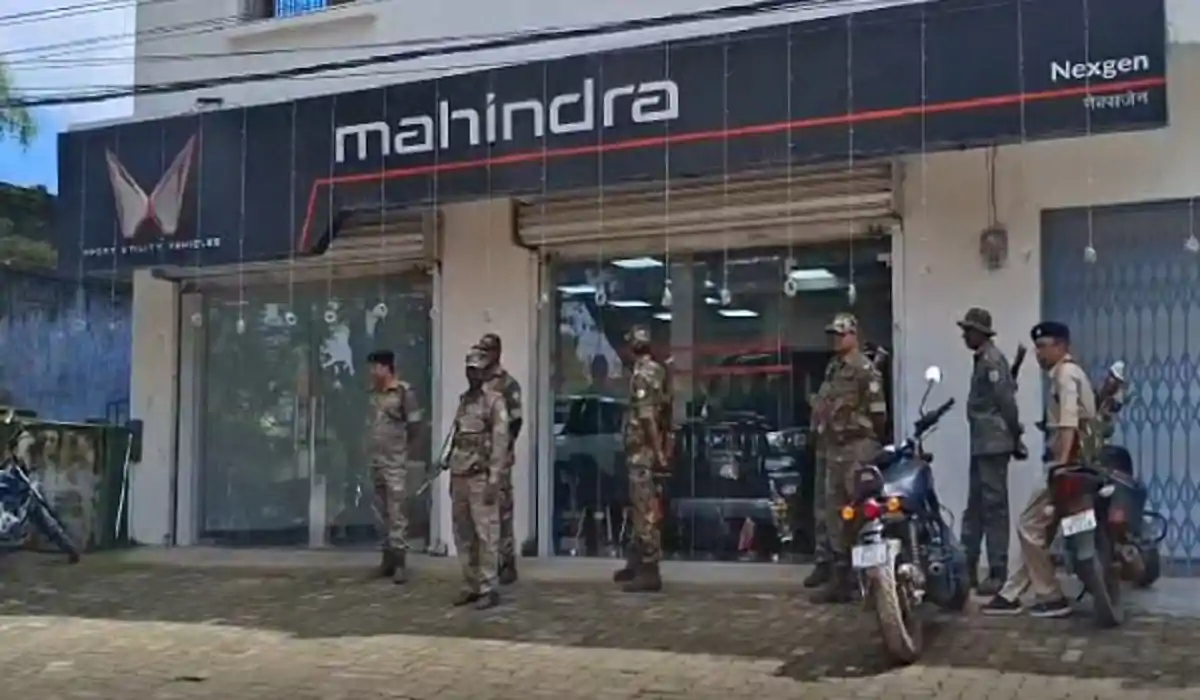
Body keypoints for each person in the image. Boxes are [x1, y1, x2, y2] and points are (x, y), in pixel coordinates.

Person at [982, 321, 1096, 618]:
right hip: (1078, 463)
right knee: (1038, 530)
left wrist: (1062, 465)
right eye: (1037, 348)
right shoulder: (1070, 373)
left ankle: (1051, 595)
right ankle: (1010, 594)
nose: (1039, 354)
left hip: (1066, 464)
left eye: (1044, 347)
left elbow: (1069, 423)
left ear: (1061, 346)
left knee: (1028, 526)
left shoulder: (1065, 375)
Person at [809, 313, 888, 604]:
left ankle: (869, 578)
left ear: (853, 336)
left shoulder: (865, 370)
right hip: (835, 449)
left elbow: (879, 414)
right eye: (833, 335)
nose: (835, 340)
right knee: (835, 513)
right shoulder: (834, 369)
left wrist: (866, 440)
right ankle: (841, 577)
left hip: (857, 447)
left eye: (840, 335)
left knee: (860, 511)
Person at [957, 308, 1022, 596]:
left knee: (993, 508)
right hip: (982, 443)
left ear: (980, 333)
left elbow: (1006, 402)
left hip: (993, 444)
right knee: (975, 507)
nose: (964, 336)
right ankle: (967, 567)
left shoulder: (992, 360)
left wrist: (1016, 435)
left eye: (968, 331)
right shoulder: (982, 359)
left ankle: (997, 571)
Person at [446, 347, 511, 610]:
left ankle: (488, 586)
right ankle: (470, 583)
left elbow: (500, 441)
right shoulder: (464, 402)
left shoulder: (494, 402)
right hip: (459, 474)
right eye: (469, 370)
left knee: (486, 534)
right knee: (463, 533)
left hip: (480, 476)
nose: (472, 375)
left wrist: (495, 477)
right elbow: (457, 436)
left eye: (477, 370)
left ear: (485, 372)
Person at [611, 325, 671, 592]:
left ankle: (649, 568)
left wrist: (658, 451)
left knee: (644, 508)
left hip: (642, 451)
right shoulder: (659, 371)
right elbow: (666, 409)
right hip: (648, 448)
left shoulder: (640, 376)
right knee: (640, 506)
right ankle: (635, 561)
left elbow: (646, 418)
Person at [365, 349, 423, 584]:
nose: (371, 372)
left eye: (375, 367)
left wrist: (404, 451)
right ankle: (387, 560)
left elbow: (415, 426)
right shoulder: (374, 394)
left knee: (397, 512)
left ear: (386, 367)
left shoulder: (404, 393)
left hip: (395, 463)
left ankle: (400, 563)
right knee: (382, 513)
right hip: (377, 461)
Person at [478, 333, 523, 585]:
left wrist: (502, 449)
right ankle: (486, 561)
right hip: (477, 457)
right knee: (481, 511)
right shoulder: (477, 380)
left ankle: (507, 562)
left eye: (488, 350)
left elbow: (516, 421)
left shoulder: (507, 384)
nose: (484, 355)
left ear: (497, 352)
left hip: (499, 457)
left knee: (502, 508)